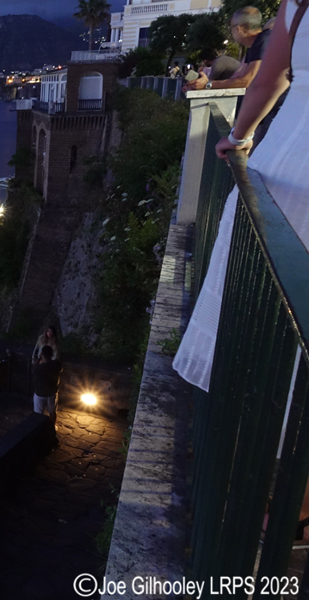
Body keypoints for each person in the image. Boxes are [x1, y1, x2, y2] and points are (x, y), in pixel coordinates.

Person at [175, 0, 306, 390]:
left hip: (288, 163)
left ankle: (250, 382)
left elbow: (267, 81)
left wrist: (237, 137)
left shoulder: (294, 9)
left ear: (236, 29)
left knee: (257, 275)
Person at [185, 6, 289, 147]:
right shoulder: (257, 44)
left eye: (232, 27)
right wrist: (204, 83)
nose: (231, 32)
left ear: (240, 29)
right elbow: (239, 75)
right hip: (270, 113)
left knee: (255, 161)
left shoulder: (264, 40)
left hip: (275, 114)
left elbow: (247, 80)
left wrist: (208, 85)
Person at [33, 346, 62, 427]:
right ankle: (52, 427)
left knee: (38, 414)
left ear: (42, 354)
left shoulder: (38, 368)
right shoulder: (56, 364)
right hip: (52, 393)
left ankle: (38, 429)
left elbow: (34, 368)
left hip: (40, 393)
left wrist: (38, 358)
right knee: (52, 412)